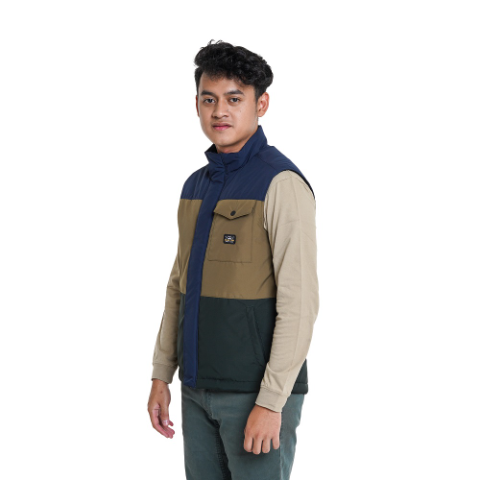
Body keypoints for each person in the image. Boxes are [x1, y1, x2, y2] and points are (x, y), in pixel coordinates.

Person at [147, 39, 319, 480]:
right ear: (197, 105)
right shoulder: (195, 185)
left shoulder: (281, 183)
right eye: (209, 99)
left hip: (255, 395)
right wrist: (162, 374)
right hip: (196, 389)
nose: (219, 111)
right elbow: (178, 285)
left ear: (261, 104)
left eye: (234, 99)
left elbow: (300, 304)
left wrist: (271, 402)